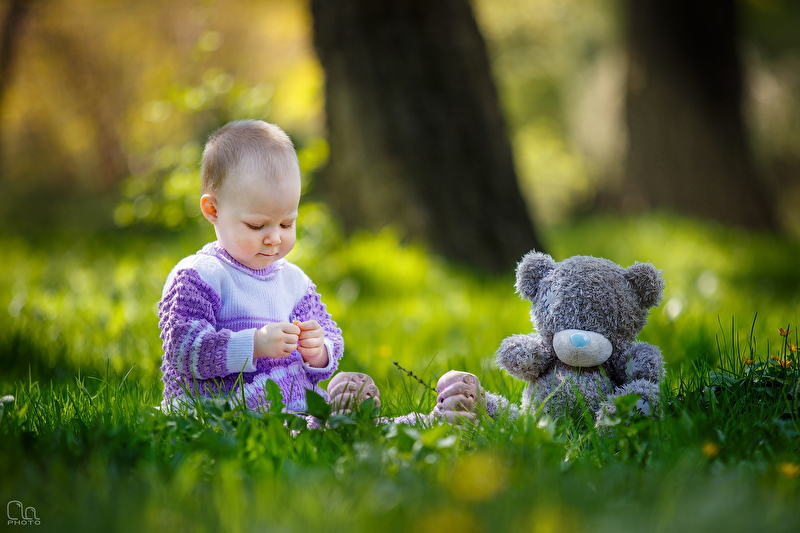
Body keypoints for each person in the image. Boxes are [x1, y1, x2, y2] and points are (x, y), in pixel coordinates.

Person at [158, 120, 349, 413]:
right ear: (213, 210)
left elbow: (331, 338)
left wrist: (319, 351)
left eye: (287, 223)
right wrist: (255, 345)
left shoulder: (293, 282)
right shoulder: (201, 276)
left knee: (343, 402)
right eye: (257, 225)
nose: (274, 238)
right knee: (319, 417)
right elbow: (184, 350)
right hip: (218, 410)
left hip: (284, 404)